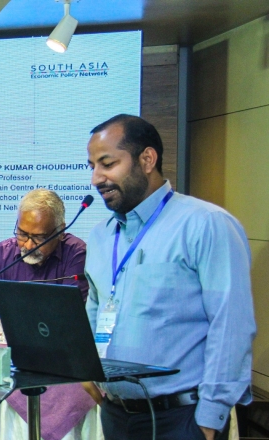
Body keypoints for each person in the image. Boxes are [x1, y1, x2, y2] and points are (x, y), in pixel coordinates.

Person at [85, 114, 255, 440]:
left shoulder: (206, 224)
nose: (96, 178)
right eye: (92, 166)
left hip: (181, 418)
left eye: (107, 163)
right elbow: (95, 308)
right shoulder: (101, 236)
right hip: (116, 415)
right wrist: (88, 372)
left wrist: (208, 421)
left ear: (147, 159)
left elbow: (232, 326)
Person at [0, 188, 87, 328]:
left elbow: (71, 313)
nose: (29, 245)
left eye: (39, 238)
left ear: (60, 232)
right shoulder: (3, 252)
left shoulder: (76, 253)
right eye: (22, 234)